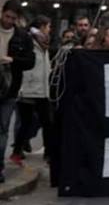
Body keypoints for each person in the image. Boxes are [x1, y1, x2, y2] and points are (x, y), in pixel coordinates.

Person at [0, 2, 35, 183]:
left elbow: (30, 62)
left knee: (2, 129)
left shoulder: (22, 36)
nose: (9, 21)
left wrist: (12, 60)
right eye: (7, 16)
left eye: (13, 18)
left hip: (10, 88)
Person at [11, 16, 52, 166]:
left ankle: (47, 152)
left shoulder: (44, 42)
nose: (50, 29)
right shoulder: (29, 40)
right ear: (41, 26)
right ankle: (17, 151)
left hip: (43, 88)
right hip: (29, 88)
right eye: (48, 26)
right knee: (28, 122)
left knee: (45, 123)